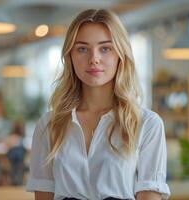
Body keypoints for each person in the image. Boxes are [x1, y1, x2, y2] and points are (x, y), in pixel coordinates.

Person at [26, 9, 170, 200]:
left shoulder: (148, 124)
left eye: (105, 48)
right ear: (70, 57)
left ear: (121, 55)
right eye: (82, 49)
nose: (94, 58)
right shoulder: (48, 125)